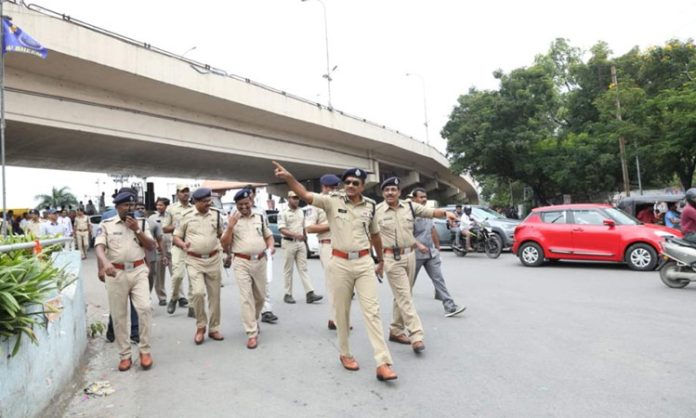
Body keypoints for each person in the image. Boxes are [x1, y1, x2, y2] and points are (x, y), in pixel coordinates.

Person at [274, 161, 397, 382]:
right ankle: (345, 353)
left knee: (372, 312)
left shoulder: (370, 206)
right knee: (342, 312)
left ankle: (383, 362)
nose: (350, 185)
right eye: (347, 182)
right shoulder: (331, 201)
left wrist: (379, 261)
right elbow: (305, 195)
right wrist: (289, 178)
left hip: (363, 262)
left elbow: (376, 235)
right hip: (339, 263)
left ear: (362, 186)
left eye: (355, 183)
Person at [376, 177, 459, 354]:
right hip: (391, 258)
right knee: (405, 296)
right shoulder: (376, 212)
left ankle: (396, 330)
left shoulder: (410, 207)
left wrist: (446, 214)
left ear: (399, 192)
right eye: (386, 190)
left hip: (410, 256)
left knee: (403, 294)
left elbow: (430, 212)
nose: (390, 192)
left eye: (393, 189)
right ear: (383, 193)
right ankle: (416, 334)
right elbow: (370, 235)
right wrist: (376, 260)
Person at [95, 190, 156, 372]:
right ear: (117, 207)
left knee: (144, 308)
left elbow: (151, 246)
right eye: (125, 206)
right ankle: (125, 355)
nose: (130, 209)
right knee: (119, 316)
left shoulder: (142, 223)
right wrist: (104, 263)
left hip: (138, 271)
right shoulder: (106, 224)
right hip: (116, 274)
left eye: (132, 205)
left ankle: (144, 351)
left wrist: (137, 229)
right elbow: (99, 247)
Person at [220, 189, 275, 349]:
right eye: (240, 205)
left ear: (251, 202)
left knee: (260, 296)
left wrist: (271, 247)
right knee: (246, 297)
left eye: (246, 204)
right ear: (236, 205)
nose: (243, 207)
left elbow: (268, 236)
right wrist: (230, 227)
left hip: (261, 261)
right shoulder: (231, 219)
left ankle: (254, 319)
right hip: (241, 262)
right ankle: (251, 332)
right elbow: (224, 243)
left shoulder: (259, 217)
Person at [172, 188, 225, 345]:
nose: (208, 204)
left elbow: (221, 235)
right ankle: (201, 326)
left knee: (215, 297)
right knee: (198, 293)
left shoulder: (215, 215)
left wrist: (227, 253)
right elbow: (176, 236)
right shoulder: (186, 216)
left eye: (209, 201)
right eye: (204, 202)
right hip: (194, 261)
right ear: (195, 202)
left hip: (214, 259)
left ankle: (214, 328)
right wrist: (183, 244)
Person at [410, 188, 467, 317]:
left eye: (425, 197)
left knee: (439, 279)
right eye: (420, 197)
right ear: (414, 199)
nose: (424, 199)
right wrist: (418, 245)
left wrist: (437, 246)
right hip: (416, 254)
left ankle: (449, 306)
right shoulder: (409, 214)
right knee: (408, 284)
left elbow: (432, 230)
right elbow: (406, 235)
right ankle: (404, 309)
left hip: (431, 253)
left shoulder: (429, 213)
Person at [305, 173, 342, 329]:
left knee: (344, 284)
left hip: (343, 245)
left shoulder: (341, 201)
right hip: (327, 246)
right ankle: (335, 319)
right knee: (334, 283)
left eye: (335, 187)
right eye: (330, 188)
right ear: (324, 187)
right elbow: (309, 227)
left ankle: (339, 317)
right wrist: (331, 224)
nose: (333, 190)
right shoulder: (316, 204)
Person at [243, 185, 279, 325]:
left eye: (252, 194)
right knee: (248, 289)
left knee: (264, 284)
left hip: (261, 253)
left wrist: (270, 249)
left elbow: (267, 231)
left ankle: (266, 310)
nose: (250, 197)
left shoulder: (261, 211)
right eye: (248, 195)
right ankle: (252, 315)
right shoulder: (237, 211)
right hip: (244, 256)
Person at [279, 191, 323, 304]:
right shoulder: (283, 213)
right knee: (288, 270)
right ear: (288, 199)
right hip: (288, 242)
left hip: (300, 243)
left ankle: (310, 293)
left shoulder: (301, 212)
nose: (296, 200)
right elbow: (282, 229)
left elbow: (303, 227)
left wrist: (305, 239)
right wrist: (295, 235)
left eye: (297, 198)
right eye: (293, 198)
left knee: (303, 268)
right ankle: (287, 294)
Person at [164, 184, 193, 317]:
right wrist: (177, 226)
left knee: (194, 277)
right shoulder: (171, 209)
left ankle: (192, 305)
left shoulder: (194, 209)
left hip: (192, 246)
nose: (185, 194)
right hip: (177, 246)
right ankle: (174, 298)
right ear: (177, 193)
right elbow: (165, 228)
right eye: (183, 192)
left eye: (187, 191)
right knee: (178, 275)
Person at [150, 198, 172, 306]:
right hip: (159, 250)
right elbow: (150, 234)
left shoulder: (172, 216)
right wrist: (155, 243)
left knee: (176, 274)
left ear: (167, 206)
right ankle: (162, 297)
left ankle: (180, 296)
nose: (159, 207)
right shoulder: (152, 218)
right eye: (157, 205)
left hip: (172, 248)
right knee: (159, 275)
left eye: (161, 205)